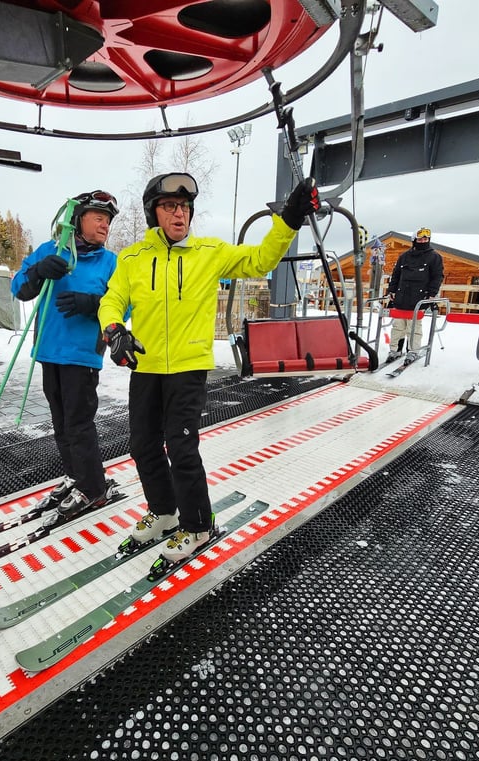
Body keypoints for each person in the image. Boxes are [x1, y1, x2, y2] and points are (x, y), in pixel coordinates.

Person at [97, 172, 320, 562]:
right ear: (154, 213)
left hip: (188, 367)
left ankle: (199, 525)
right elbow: (112, 299)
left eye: (184, 207)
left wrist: (288, 219)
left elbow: (259, 259)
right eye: (169, 207)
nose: (179, 214)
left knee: (181, 446)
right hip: (146, 366)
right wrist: (114, 329)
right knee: (143, 445)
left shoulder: (208, 252)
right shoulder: (133, 258)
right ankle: (165, 513)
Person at [11, 190, 120, 516]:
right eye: (98, 218)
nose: (105, 226)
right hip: (49, 350)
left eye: (108, 221)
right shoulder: (50, 251)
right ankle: (76, 475)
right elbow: (19, 287)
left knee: (78, 423)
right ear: (77, 220)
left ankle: (93, 487)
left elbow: (123, 307)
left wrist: (93, 304)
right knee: (60, 423)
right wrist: (38, 271)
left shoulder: (110, 262)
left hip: (82, 355)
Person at [386, 226, 444, 360]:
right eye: (420, 239)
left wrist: (432, 293)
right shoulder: (404, 257)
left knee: (414, 328)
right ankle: (395, 350)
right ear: (414, 240)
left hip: (419, 298)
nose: (423, 241)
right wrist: (392, 290)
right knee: (398, 326)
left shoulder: (434, 257)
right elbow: (396, 275)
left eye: (425, 239)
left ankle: (412, 351)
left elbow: (437, 276)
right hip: (401, 297)